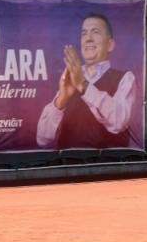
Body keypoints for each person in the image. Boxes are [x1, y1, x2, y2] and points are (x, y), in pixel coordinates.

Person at [36, 13, 139, 150]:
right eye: (84, 34)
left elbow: (118, 122)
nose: (88, 39)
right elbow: (42, 139)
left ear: (110, 45)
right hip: (68, 165)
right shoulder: (71, 77)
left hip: (105, 166)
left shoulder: (125, 78)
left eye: (95, 32)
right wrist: (62, 100)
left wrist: (84, 86)